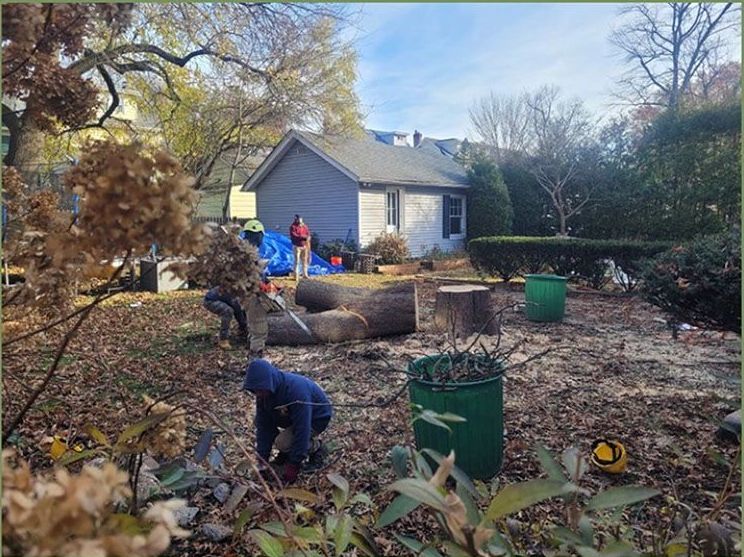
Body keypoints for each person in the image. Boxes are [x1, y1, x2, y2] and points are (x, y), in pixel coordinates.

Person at [243, 358, 332, 483]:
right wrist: (262, 462)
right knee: (259, 421)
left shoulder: (295, 391)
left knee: (283, 443)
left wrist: (293, 464)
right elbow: (263, 428)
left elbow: (303, 427)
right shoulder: (263, 395)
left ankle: (317, 448)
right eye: (255, 391)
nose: (258, 394)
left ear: (269, 382)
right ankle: (286, 452)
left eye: (260, 390)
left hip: (316, 418)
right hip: (290, 417)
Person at [242, 218, 270, 358]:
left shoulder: (244, 250)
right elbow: (250, 275)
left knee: (252, 325)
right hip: (252, 294)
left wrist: (265, 280)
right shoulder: (248, 253)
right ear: (258, 234)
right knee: (259, 327)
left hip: (245, 293)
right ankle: (256, 359)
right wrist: (261, 284)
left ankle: (253, 353)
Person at [289, 215, 311, 281]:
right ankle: (296, 275)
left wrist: (308, 237)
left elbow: (308, 233)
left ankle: (305, 274)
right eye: (299, 219)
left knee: (304, 261)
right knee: (297, 261)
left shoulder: (304, 226)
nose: (300, 221)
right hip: (297, 246)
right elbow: (294, 235)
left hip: (304, 246)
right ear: (296, 219)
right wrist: (304, 237)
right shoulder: (293, 227)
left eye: (301, 219)